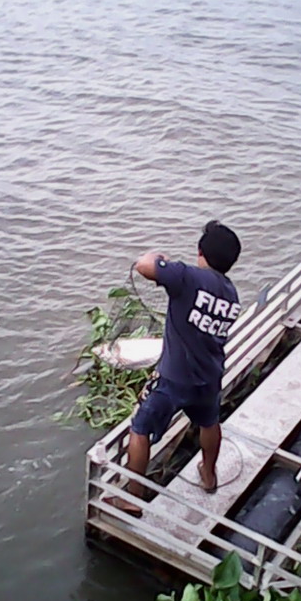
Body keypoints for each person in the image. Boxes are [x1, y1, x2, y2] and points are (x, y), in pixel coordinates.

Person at [107, 220, 241, 516]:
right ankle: (209, 474)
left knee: (140, 428)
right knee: (208, 422)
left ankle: (133, 498)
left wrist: (157, 255)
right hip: (209, 378)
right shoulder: (232, 294)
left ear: (200, 252)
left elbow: (144, 266)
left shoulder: (188, 277)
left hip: (173, 379)